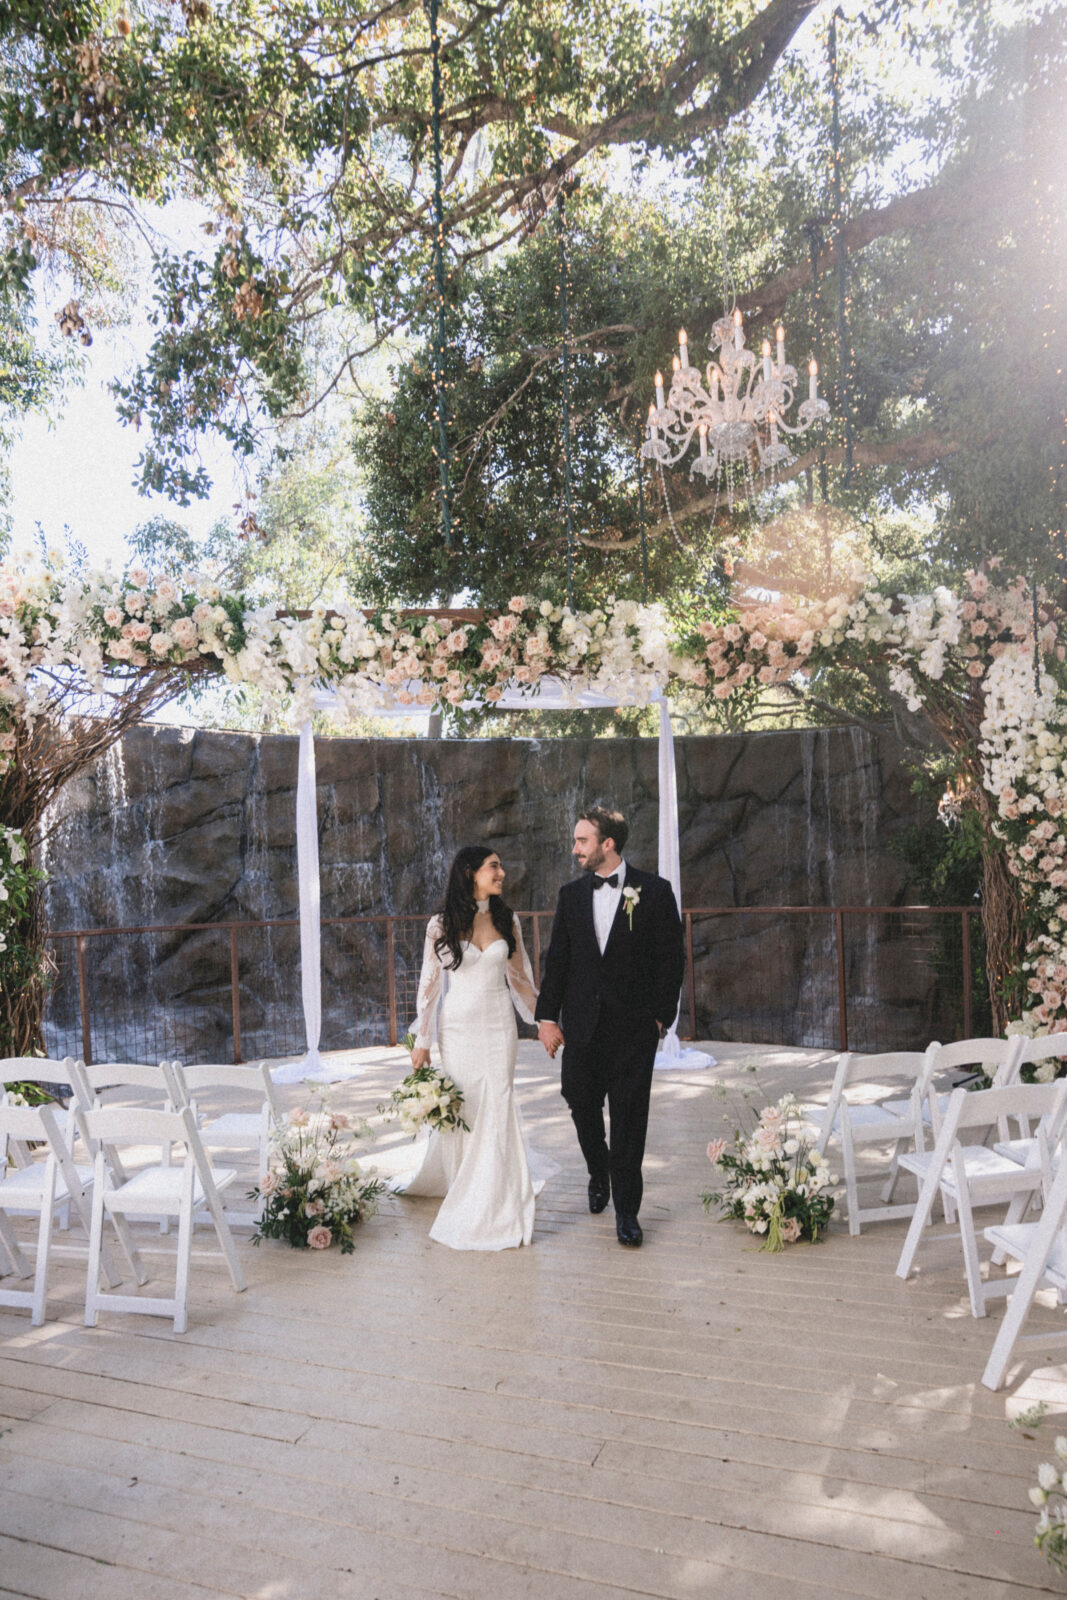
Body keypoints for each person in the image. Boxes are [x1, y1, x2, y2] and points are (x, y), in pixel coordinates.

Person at [535, 804, 684, 1248]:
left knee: (629, 1121)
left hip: (633, 1031)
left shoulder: (655, 892)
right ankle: (597, 1171)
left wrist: (660, 1019)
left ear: (608, 844)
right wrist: (546, 1018)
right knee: (579, 1103)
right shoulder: (571, 896)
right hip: (580, 1027)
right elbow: (556, 962)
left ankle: (627, 1212)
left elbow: (670, 961)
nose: (575, 847)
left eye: (583, 840)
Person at [399, 844, 549, 1251]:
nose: (502, 873)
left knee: (499, 1100)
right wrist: (422, 1042)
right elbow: (428, 988)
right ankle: (469, 1190)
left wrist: (545, 1023)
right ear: (470, 873)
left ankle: (500, 1196)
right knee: (467, 1106)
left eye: (500, 866)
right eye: (494, 867)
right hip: (458, 1028)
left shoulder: (507, 919)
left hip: (499, 1026)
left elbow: (521, 981)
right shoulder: (440, 924)